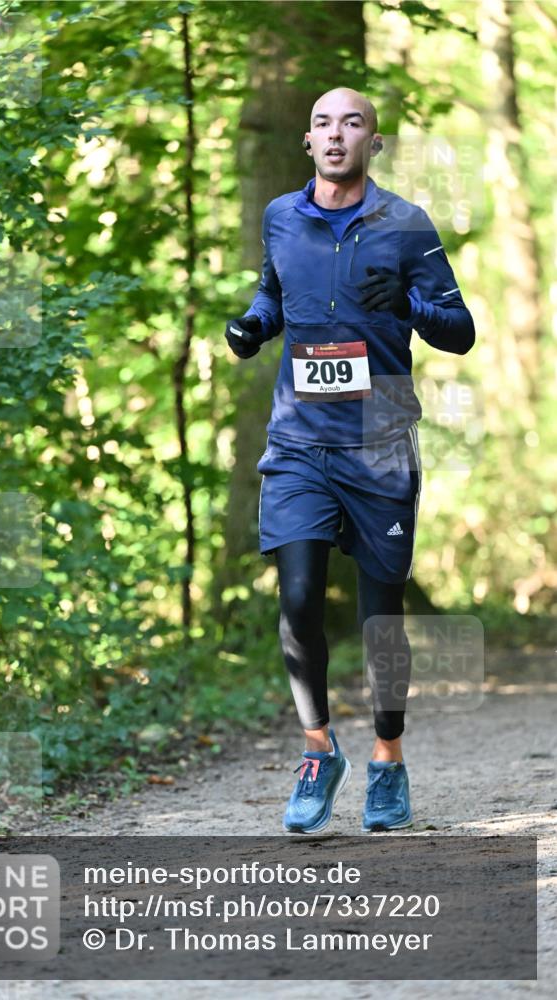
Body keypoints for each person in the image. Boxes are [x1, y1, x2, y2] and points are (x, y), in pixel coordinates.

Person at [225, 87, 475, 834]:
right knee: (298, 598)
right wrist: (251, 327)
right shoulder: (279, 217)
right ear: (307, 142)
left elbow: (459, 331)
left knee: (379, 619)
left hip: (379, 441)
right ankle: (315, 751)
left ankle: (387, 761)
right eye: (324, 124)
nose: (337, 135)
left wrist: (404, 306)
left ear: (372, 141)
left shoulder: (405, 226)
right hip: (300, 438)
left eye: (353, 123)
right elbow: (273, 296)